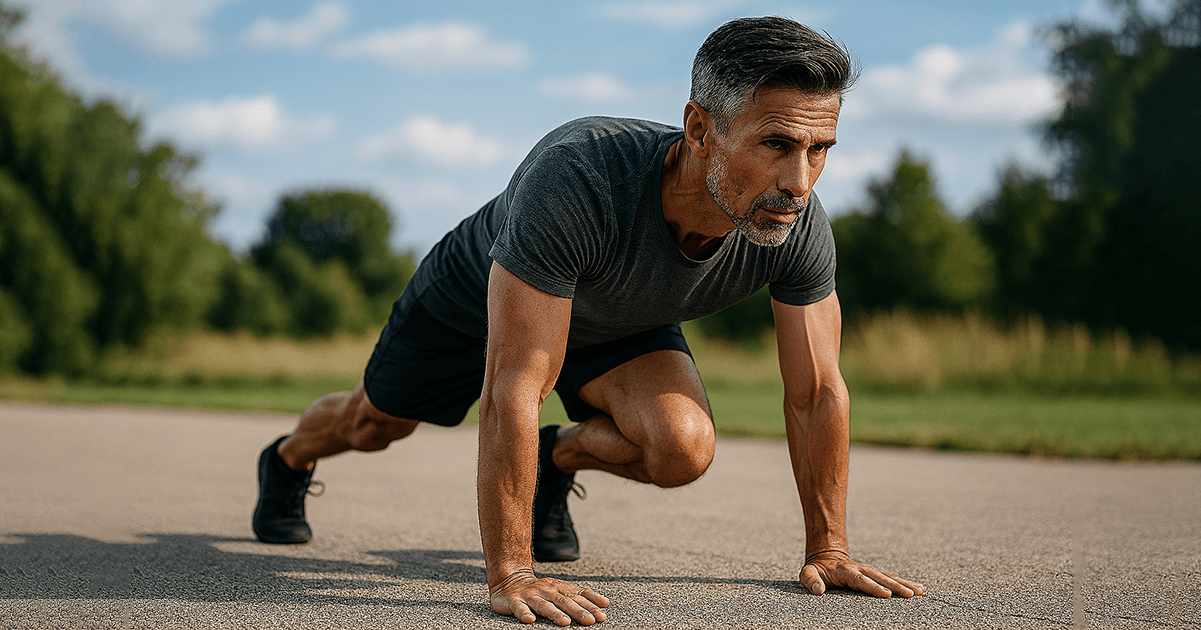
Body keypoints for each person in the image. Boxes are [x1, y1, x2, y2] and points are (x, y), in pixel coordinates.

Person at [252, 15, 925, 626]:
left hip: (619, 321)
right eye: (776, 144)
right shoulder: (577, 176)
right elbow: (515, 385)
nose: (800, 181)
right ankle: (287, 459)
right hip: (473, 302)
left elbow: (815, 392)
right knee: (372, 424)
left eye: (819, 149)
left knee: (681, 446)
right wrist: (511, 572)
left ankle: (554, 458)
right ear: (699, 129)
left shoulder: (797, 223)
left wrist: (828, 548)